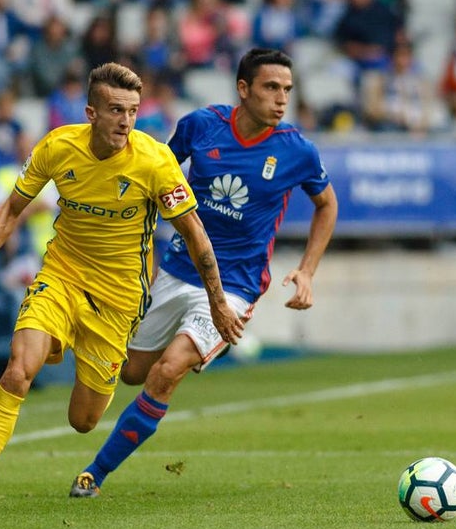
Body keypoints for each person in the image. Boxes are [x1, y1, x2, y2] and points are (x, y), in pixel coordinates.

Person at [0, 62, 245, 511]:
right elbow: (11, 209)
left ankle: (74, 355)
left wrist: (218, 303)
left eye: (133, 111)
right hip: (61, 276)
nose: (126, 121)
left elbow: (196, 233)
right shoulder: (58, 146)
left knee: (83, 420)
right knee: (18, 370)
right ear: (91, 113)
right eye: (116, 110)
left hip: (118, 298)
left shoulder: (155, 160)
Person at [68, 47, 338, 498]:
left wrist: (308, 271)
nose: (281, 99)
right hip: (176, 270)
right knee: (133, 371)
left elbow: (326, 204)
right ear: (243, 89)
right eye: (272, 87)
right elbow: (154, 177)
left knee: (167, 371)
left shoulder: (298, 152)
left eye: (287, 90)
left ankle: (94, 474)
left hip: (235, 286)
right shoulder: (200, 126)